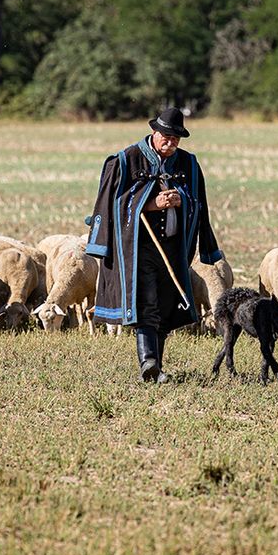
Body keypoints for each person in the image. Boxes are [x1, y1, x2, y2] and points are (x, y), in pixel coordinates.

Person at [85, 107, 224, 382]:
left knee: (166, 303)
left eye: (176, 139)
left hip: (175, 247)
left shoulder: (189, 164)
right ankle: (148, 363)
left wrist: (181, 199)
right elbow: (114, 202)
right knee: (146, 301)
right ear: (154, 132)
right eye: (166, 137)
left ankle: (156, 366)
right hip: (139, 248)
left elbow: (200, 204)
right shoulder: (127, 160)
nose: (171, 143)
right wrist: (149, 204)